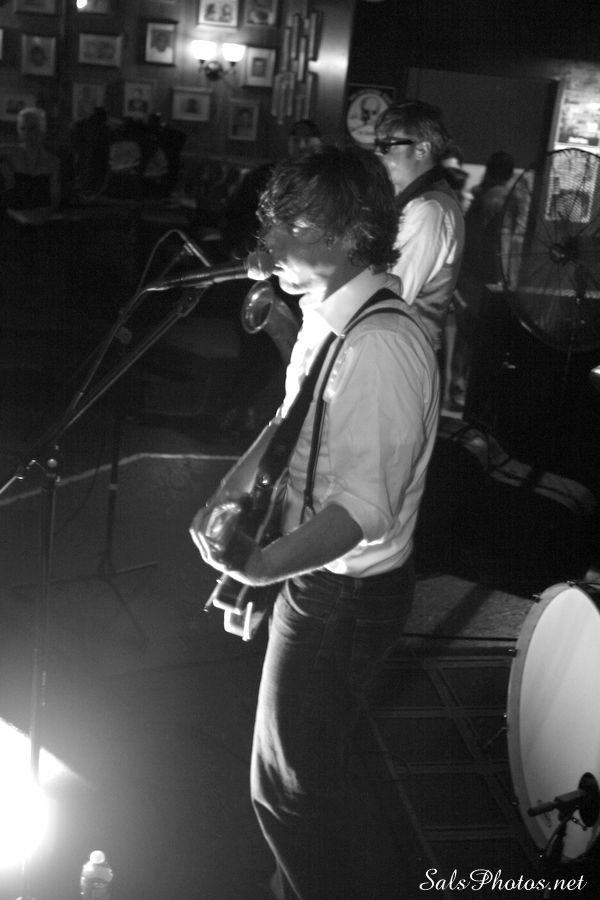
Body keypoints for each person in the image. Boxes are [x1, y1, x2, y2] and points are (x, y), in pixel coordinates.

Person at [190, 145, 440, 898]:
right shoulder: (330, 316)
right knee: (300, 773)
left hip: (345, 597)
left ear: (347, 233)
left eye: (288, 226)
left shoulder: (380, 346)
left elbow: (364, 510)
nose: (267, 245)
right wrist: (231, 489)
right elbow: (294, 422)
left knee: (289, 790)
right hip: (323, 585)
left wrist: (262, 566)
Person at [374, 100, 465, 356]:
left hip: (401, 354)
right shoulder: (422, 202)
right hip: (396, 347)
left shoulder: (429, 209)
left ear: (422, 149)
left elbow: (394, 293)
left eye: (387, 145)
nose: (378, 153)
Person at [445, 150, 516, 411]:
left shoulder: (481, 195)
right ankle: (468, 394)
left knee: (465, 336)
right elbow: (503, 243)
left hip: (469, 273)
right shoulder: (503, 199)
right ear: (510, 174)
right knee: (479, 339)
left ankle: (457, 389)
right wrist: (504, 277)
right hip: (487, 277)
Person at [0, 106, 61, 223]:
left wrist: (40, 216)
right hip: (11, 218)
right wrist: (4, 171)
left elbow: (55, 199)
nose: (27, 133)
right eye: (23, 128)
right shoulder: (9, 153)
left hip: (42, 219)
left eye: (33, 128)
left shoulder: (53, 162)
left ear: (42, 131)